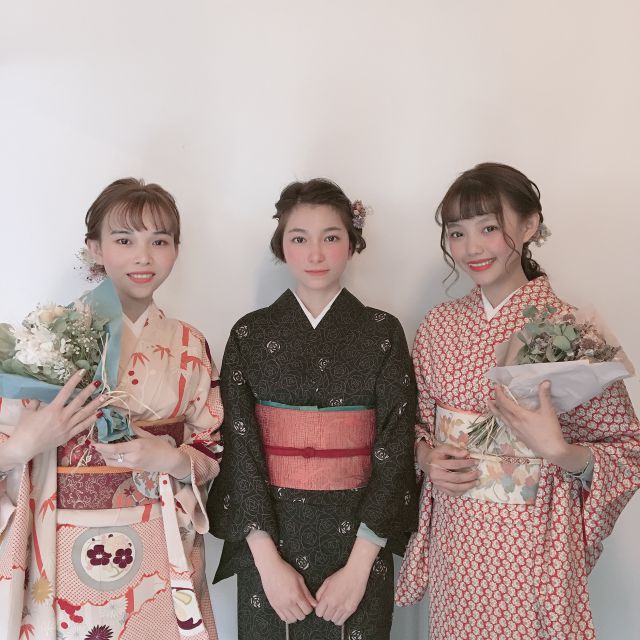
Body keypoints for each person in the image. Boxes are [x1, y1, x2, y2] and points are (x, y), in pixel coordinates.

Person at [395, 162, 640, 639]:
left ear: (529, 225)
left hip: (533, 547)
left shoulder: (569, 333)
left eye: (489, 228)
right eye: (457, 233)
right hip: (455, 543)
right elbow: (414, 423)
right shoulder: (438, 325)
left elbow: (629, 450)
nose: (471, 247)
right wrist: (425, 456)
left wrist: (561, 452)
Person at [0, 178, 223, 640]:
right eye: (124, 240)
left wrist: (172, 459)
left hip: (159, 533)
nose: (144, 257)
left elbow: (213, 442)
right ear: (96, 249)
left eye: (159, 241)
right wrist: (24, 445)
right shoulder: (49, 337)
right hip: (60, 535)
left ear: (176, 250)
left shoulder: (189, 343)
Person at [208, 178, 418, 640]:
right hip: (269, 546)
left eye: (331, 237)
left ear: (352, 243)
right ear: (281, 245)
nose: (316, 254)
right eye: (299, 238)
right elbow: (239, 449)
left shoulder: (382, 333)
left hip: (360, 543)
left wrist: (360, 566)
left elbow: (396, 446)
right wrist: (267, 562)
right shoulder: (249, 334)